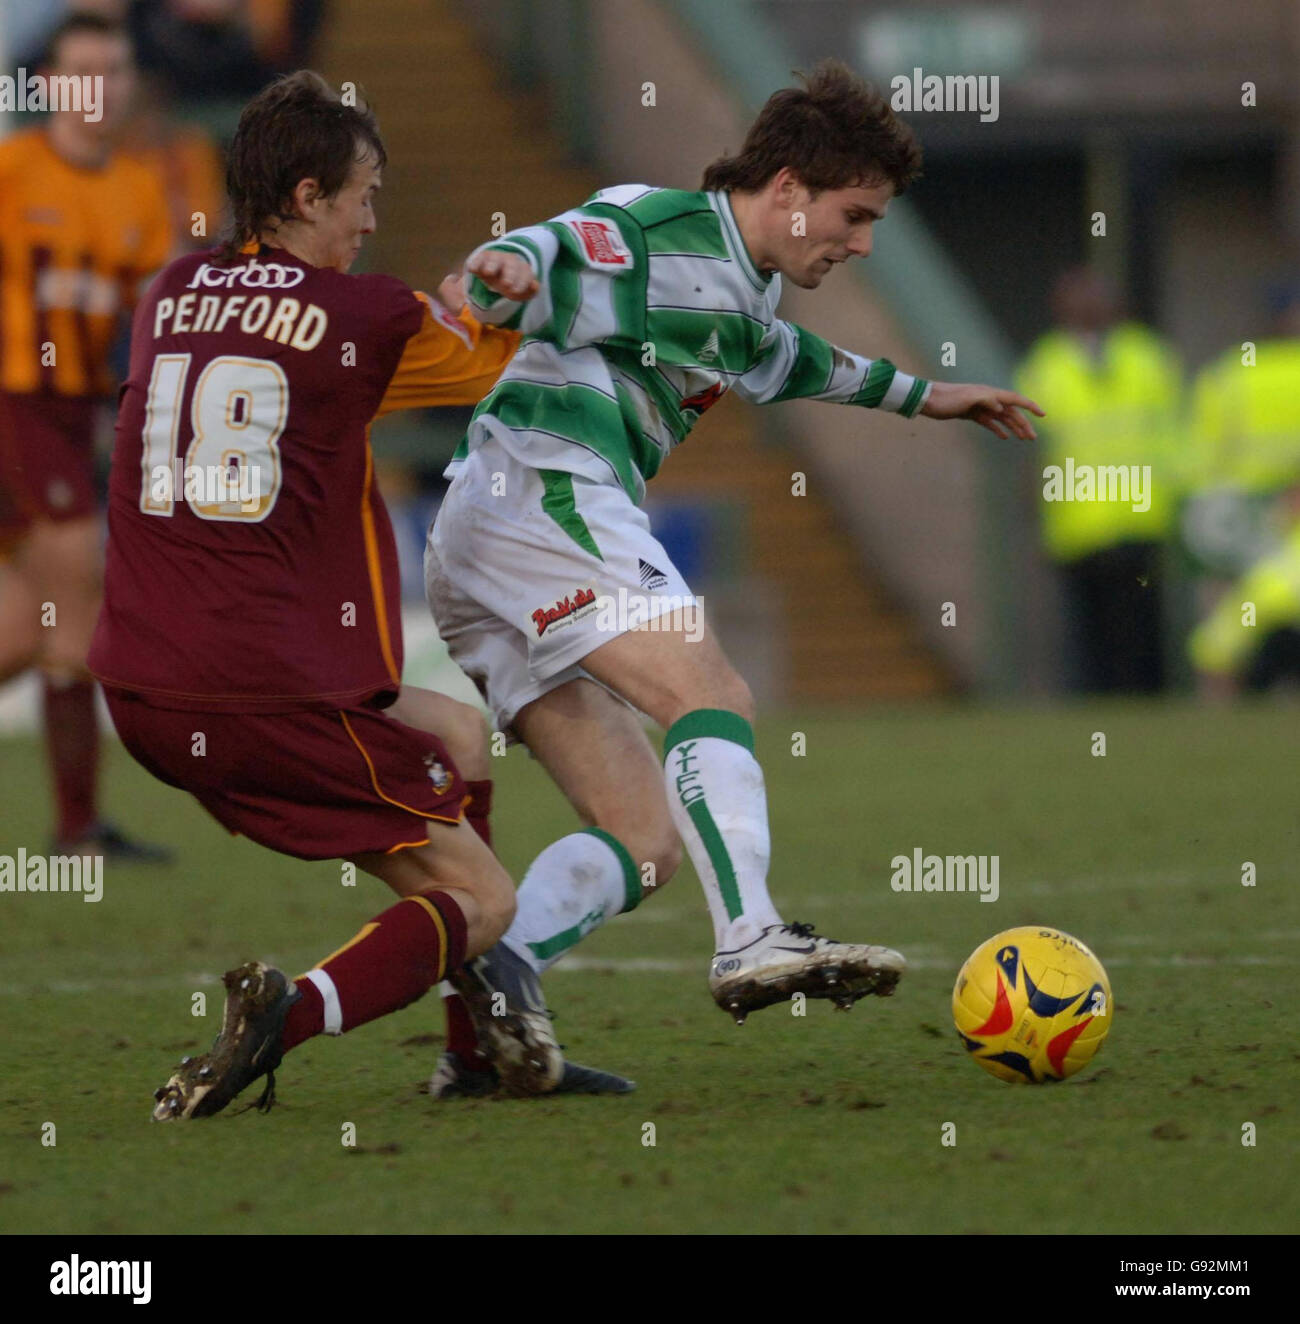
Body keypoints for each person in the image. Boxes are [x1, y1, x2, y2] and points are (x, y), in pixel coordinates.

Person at [424, 59, 1042, 1031]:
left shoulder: (745, 291)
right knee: (709, 696)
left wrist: (932, 399)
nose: (865, 243)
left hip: (484, 538)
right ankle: (751, 934)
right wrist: (504, 272)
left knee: (646, 838)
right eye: (854, 214)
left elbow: (785, 362)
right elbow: (556, 250)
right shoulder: (662, 226)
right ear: (788, 191)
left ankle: (493, 991)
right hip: (541, 494)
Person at [87, 70, 627, 1119]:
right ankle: (278, 1021)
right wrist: (522, 288)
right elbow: (479, 368)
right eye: (362, 196)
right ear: (303, 195)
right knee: (482, 897)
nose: (371, 220)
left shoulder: (167, 291)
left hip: (144, 685)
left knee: (458, 736)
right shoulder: (367, 313)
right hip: (261, 689)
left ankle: (474, 1052)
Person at [0, 12, 173, 857]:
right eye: (81, 71)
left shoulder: (142, 186)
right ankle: (77, 830)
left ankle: (80, 826)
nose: (97, 88)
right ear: (51, 85)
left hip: (72, 417)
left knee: (25, 630)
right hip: (12, 404)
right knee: (77, 601)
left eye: (112, 70)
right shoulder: (10, 169)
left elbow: (156, 317)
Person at [1016, 267, 1182, 693]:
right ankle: (1095, 707)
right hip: (1077, 525)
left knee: (1141, 627)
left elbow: (1178, 432)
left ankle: (1146, 703)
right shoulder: (1045, 364)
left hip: (1140, 518)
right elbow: (1031, 449)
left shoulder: (1147, 356)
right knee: (1086, 631)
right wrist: (1034, 511)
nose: (1089, 305)